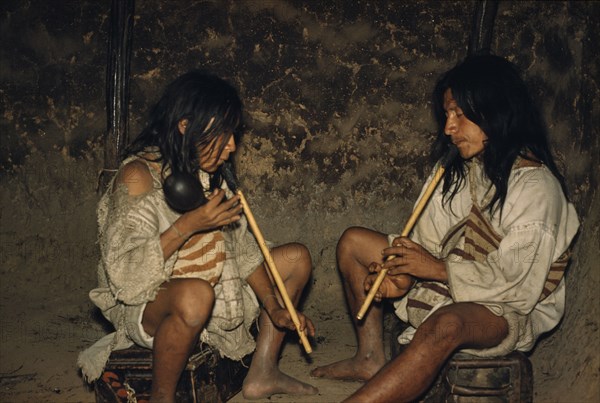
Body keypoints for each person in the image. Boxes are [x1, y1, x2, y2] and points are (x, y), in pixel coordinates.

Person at [311, 54, 580, 402]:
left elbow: (518, 286)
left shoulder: (537, 189)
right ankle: (369, 357)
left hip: (506, 309)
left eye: (458, 114)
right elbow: (426, 243)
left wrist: (434, 269)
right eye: (447, 114)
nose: (448, 128)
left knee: (447, 325)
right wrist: (402, 276)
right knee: (353, 243)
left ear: (494, 112)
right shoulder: (456, 170)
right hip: (453, 280)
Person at [78, 71, 318, 402]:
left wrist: (275, 307)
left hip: (219, 286)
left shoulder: (207, 173)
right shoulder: (138, 176)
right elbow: (124, 278)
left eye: (233, 133)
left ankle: (263, 371)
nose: (232, 145)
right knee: (195, 295)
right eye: (224, 132)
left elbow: (246, 252)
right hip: (150, 302)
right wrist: (189, 225)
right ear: (185, 126)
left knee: (296, 259)